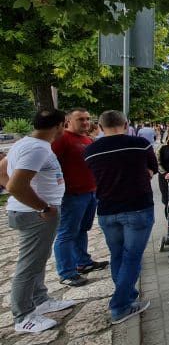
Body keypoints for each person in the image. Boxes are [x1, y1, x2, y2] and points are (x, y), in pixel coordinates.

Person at [1, 109, 77, 334]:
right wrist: (41, 206)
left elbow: (2, 172)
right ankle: (23, 316)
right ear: (60, 125)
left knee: (39, 258)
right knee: (29, 264)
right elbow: (15, 185)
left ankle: (40, 299)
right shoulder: (36, 149)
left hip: (30, 211)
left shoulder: (25, 143)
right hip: (36, 215)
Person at [84, 110, 157, 324]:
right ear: (126, 124)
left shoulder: (90, 150)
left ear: (99, 126)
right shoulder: (140, 144)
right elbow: (153, 168)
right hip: (138, 208)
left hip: (107, 210)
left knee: (117, 255)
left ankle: (128, 295)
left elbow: (93, 176)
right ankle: (120, 305)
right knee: (132, 257)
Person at [51, 108, 108, 288]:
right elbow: (50, 166)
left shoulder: (86, 139)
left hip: (90, 192)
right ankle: (67, 272)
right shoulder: (61, 140)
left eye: (88, 119)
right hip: (71, 195)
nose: (85, 122)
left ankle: (83, 262)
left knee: (82, 229)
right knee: (66, 233)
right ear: (68, 121)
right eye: (80, 119)